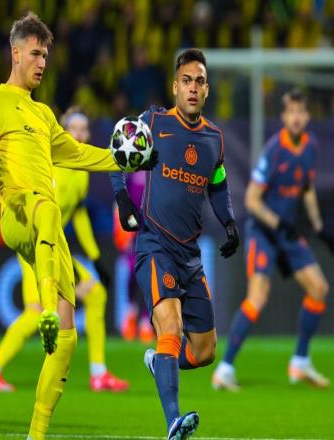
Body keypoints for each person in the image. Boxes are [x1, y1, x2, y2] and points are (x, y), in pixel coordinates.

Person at [0, 12, 154, 440]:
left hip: (47, 231)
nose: (42, 62)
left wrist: (124, 159)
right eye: (35, 53)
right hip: (17, 213)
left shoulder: (45, 114)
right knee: (46, 207)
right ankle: (44, 309)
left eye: (46, 55)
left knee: (66, 341)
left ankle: (37, 433)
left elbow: (78, 154)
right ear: (15, 53)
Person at [111, 48, 239, 440]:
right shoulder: (153, 122)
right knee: (170, 325)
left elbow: (218, 183)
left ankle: (160, 362)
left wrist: (229, 222)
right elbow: (117, 151)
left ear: (207, 89)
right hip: (155, 246)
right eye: (186, 81)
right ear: (175, 87)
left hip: (190, 255)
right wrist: (122, 200)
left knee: (204, 351)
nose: (193, 88)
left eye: (199, 81)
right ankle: (173, 422)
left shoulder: (214, 139)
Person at [0, 107, 129, 393]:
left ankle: (99, 374)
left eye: (84, 129)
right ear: (62, 132)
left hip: (55, 248)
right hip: (34, 246)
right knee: (36, 312)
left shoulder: (80, 172)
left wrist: (96, 257)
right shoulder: (50, 164)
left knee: (95, 295)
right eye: (74, 129)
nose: (80, 134)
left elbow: (79, 214)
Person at [212, 89, 333, 391]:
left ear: (307, 116)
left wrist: (319, 227)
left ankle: (300, 362)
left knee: (319, 288)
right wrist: (279, 223)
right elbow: (251, 200)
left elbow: (306, 188)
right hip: (264, 232)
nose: (296, 117)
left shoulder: (310, 146)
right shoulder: (274, 150)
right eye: (291, 112)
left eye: (301, 111)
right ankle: (225, 368)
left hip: (287, 233)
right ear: (283, 117)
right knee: (257, 298)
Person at [112, 171, 155, 343]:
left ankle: (146, 320)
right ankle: (131, 311)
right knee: (132, 272)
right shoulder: (131, 170)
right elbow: (120, 198)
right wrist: (119, 226)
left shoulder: (157, 169)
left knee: (149, 275)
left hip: (152, 228)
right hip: (133, 227)